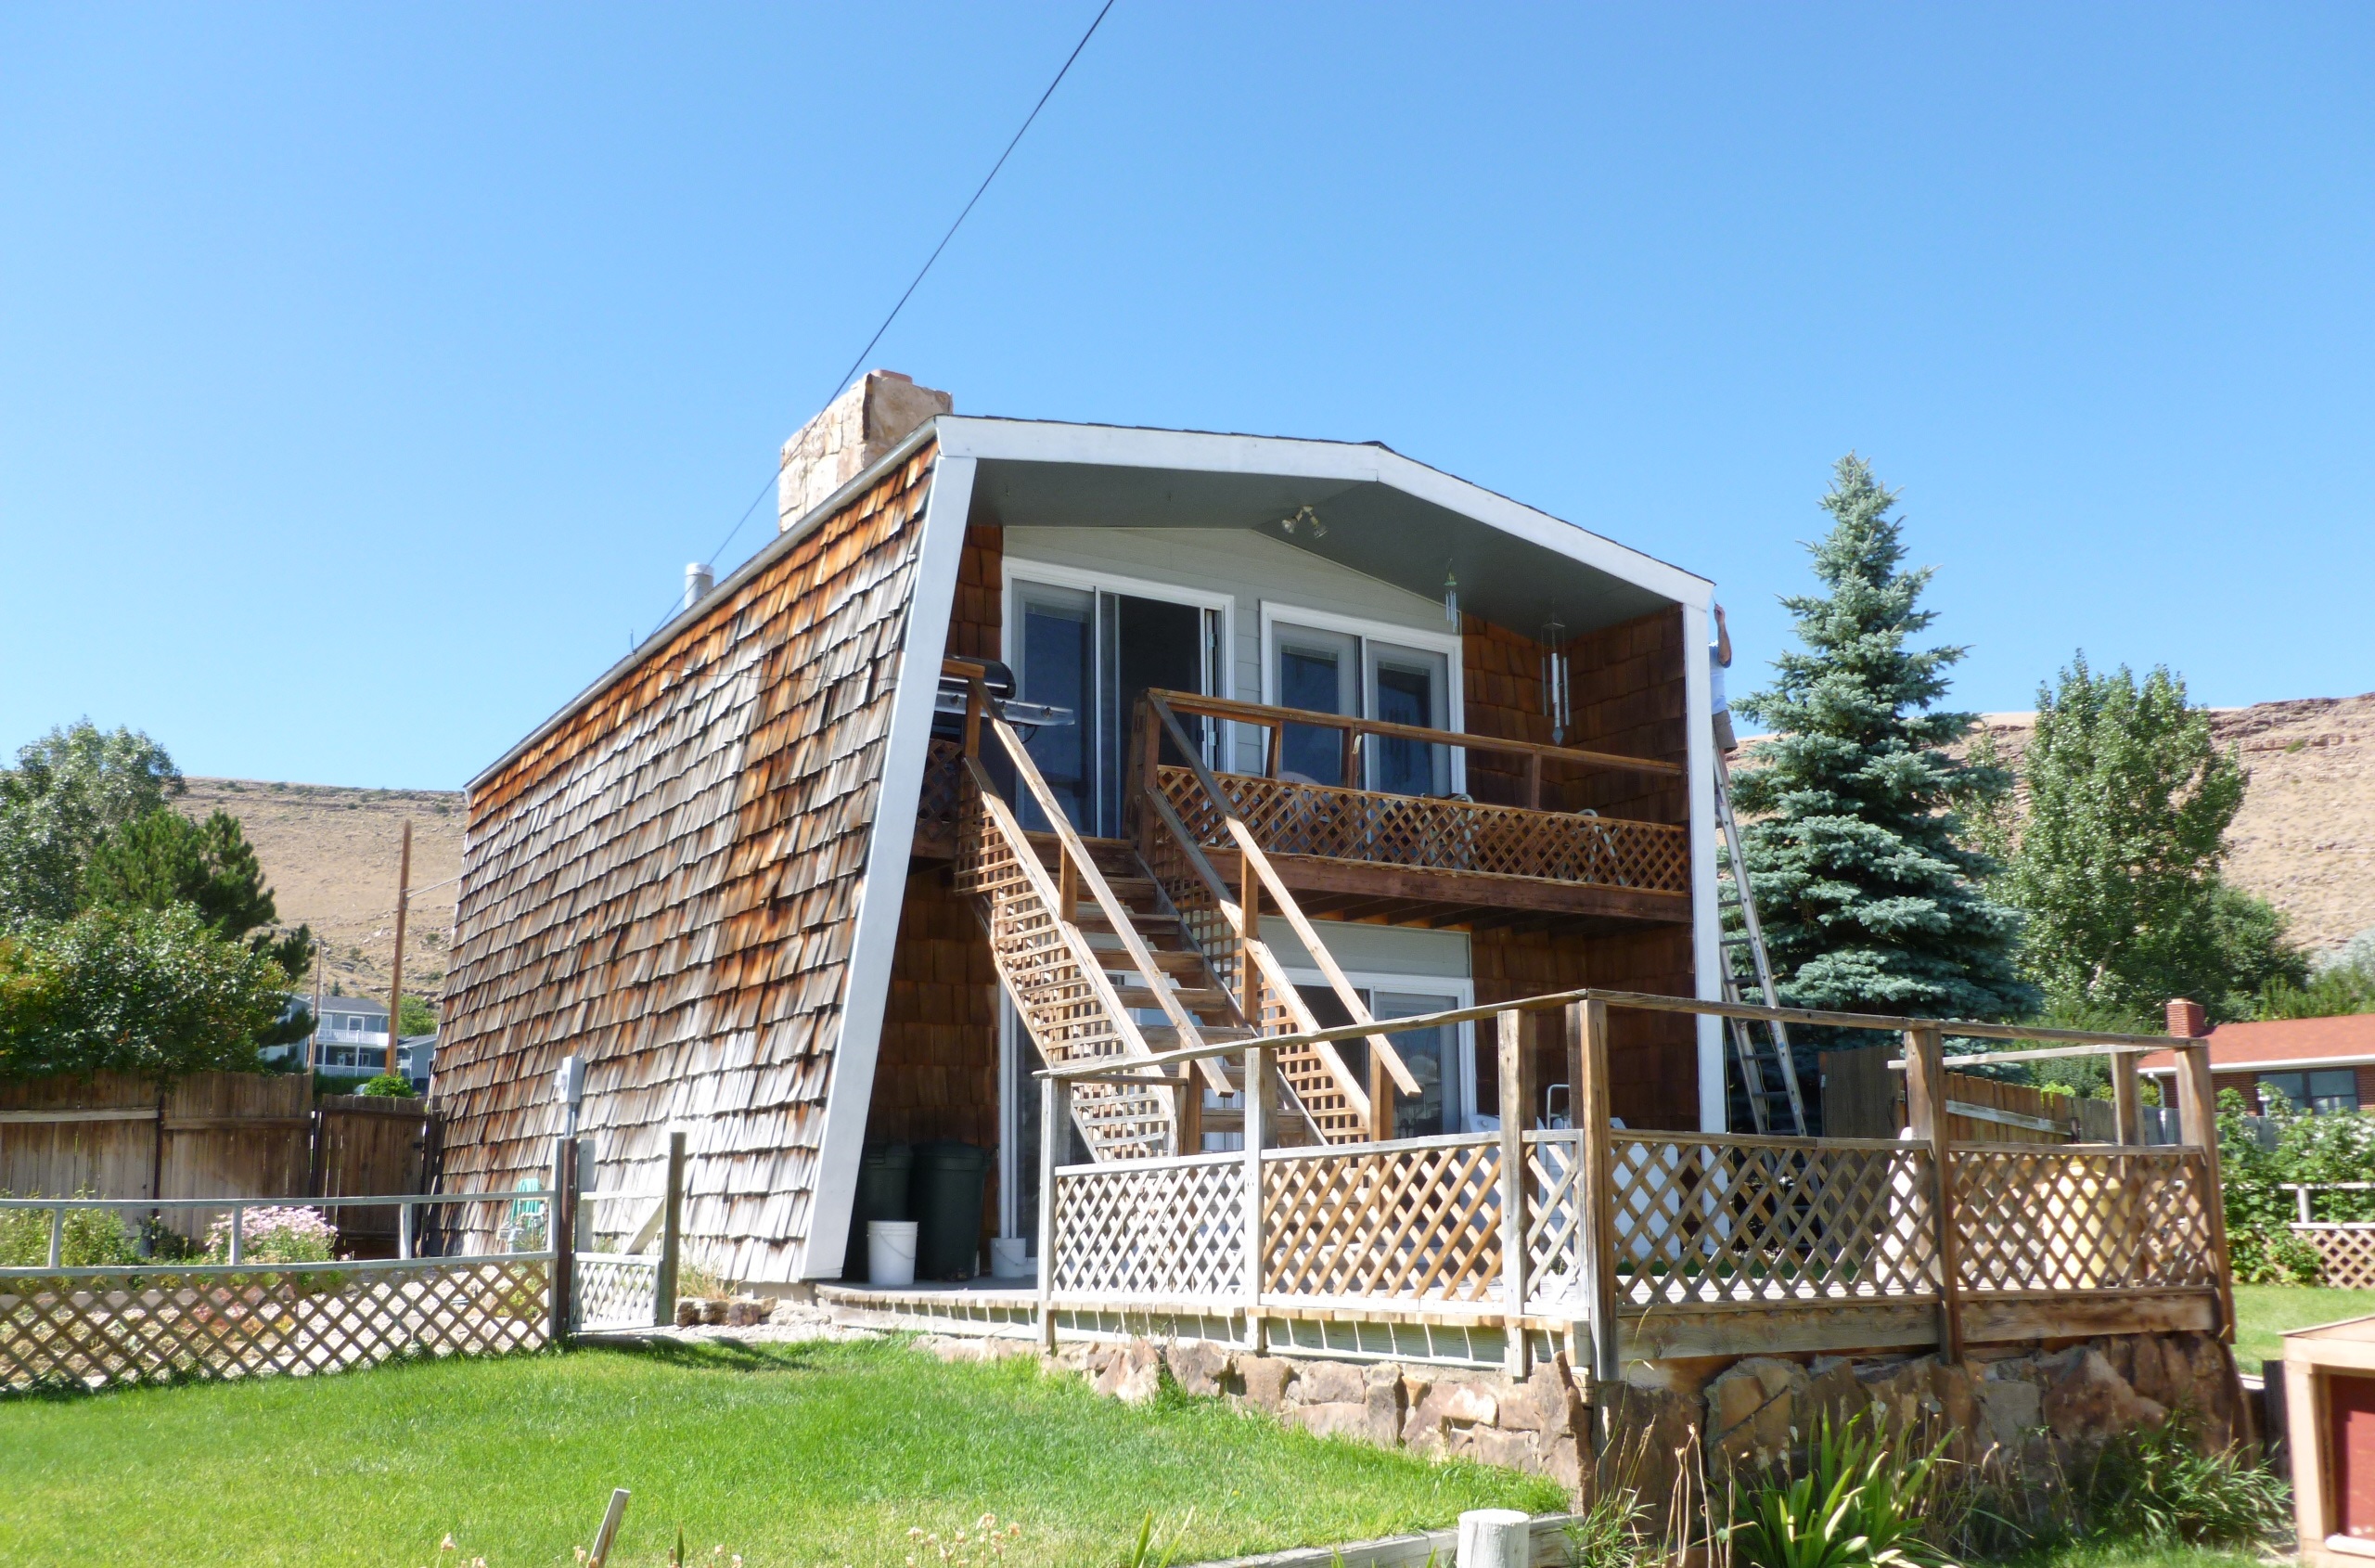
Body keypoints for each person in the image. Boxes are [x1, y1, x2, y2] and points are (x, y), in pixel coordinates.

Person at [1710, 603, 1737, 753]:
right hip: (1693, 711)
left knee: (1720, 759)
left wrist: (1721, 624)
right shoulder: (1684, 649)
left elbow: (1724, 656)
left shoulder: (1713, 647)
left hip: (1717, 711)